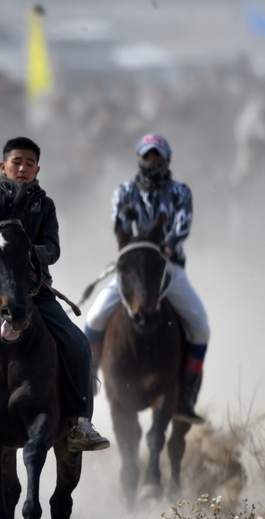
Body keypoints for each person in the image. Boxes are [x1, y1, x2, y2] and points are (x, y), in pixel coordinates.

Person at [0, 136, 110, 464]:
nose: (22, 168)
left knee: (78, 345)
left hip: (35, 292)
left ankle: (80, 423)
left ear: (37, 170)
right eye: (16, 162)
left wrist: (28, 251)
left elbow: (53, 249)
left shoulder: (44, 206)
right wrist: (0, 246)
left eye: (29, 163)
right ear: (3, 166)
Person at [84, 133, 209, 425]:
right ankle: (87, 383)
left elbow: (182, 227)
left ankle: (185, 397)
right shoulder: (124, 191)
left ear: (166, 159)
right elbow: (120, 225)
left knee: (200, 328)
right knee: (94, 318)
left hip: (168, 267)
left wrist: (165, 246)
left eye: (157, 156)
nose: (152, 161)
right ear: (139, 158)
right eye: (147, 155)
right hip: (131, 268)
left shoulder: (180, 192)